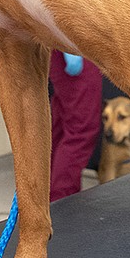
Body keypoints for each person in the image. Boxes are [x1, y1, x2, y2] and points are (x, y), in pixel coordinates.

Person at [48, 50, 103, 201]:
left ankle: (48, 197)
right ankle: (62, 201)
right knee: (81, 130)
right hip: (74, 45)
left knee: (61, 124)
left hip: (64, 45)